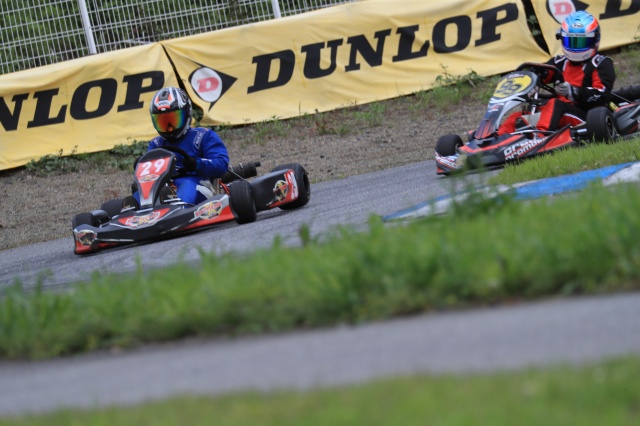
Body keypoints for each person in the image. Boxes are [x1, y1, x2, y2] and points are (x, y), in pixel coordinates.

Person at [498, 10, 615, 136]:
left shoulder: (601, 63)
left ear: (595, 40)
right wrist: (527, 78)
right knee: (517, 116)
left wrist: (573, 91)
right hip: (557, 112)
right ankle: (497, 140)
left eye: (580, 42)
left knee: (555, 103)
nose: (575, 47)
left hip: (586, 115)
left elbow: (602, 95)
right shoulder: (559, 61)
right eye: (571, 41)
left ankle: (542, 136)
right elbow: (542, 74)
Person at [123, 86, 230, 210]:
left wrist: (197, 164)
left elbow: (221, 164)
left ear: (187, 114)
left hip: (199, 185)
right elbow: (149, 177)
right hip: (165, 188)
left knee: (187, 185)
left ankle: (178, 208)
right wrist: (141, 166)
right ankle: (132, 211)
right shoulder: (156, 144)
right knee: (141, 194)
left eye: (173, 120)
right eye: (163, 122)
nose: (169, 128)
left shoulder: (203, 136)